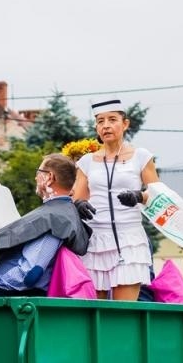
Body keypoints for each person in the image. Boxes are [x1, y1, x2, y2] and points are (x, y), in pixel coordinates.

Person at [71, 99, 159, 300]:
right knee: (94, 313)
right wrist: (79, 205)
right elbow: (77, 200)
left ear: (125, 124)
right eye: (100, 121)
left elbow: (159, 195)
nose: (106, 126)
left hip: (129, 240)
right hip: (96, 242)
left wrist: (139, 196)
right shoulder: (86, 162)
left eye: (112, 120)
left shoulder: (141, 156)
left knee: (123, 314)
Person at [0, 153, 90, 294]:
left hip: (14, 299)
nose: (35, 177)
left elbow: (31, 273)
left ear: (49, 177)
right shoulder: (61, 213)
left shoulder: (55, 219)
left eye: (38, 173)